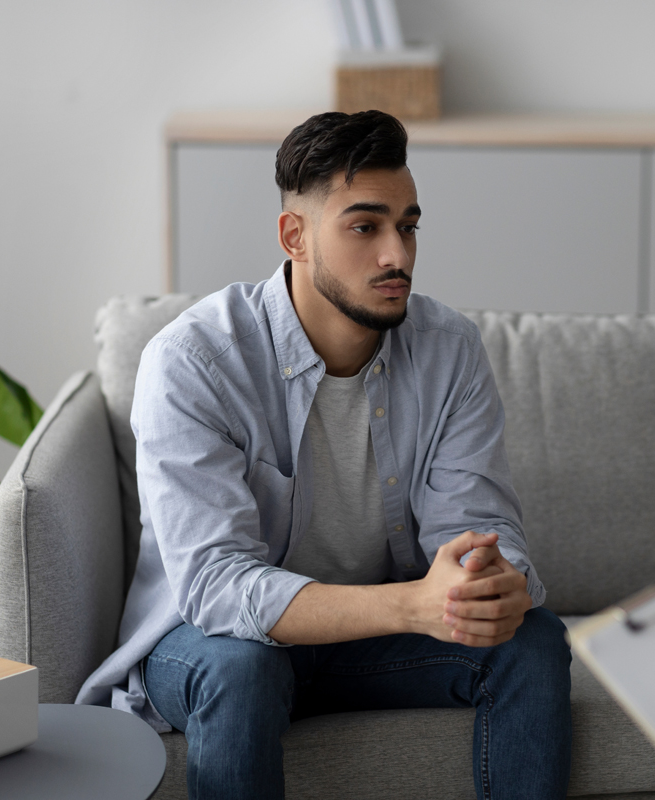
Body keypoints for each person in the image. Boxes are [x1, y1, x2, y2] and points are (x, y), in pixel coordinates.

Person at [77, 110, 572, 800]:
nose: (397, 255)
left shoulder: (449, 349)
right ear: (295, 236)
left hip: (368, 646)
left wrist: (497, 580)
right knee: (241, 670)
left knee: (532, 640)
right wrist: (413, 606)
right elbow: (217, 586)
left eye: (408, 226)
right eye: (365, 227)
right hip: (211, 643)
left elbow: (476, 524)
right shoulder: (194, 362)